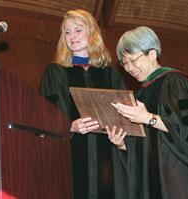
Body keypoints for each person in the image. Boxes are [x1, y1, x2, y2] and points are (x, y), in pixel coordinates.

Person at [105, 26, 188, 199]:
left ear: (152, 53)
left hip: (180, 176)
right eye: (124, 63)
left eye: (133, 60)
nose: (129, 68)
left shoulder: (176, 82)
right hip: (154, 178)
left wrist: (149, 118)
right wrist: (123, 145)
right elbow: (149, 144)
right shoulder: (140, 94)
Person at [39, 9, 126, 199]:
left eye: (78, 30)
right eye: (67, 32)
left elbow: (125, 119)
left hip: (109, 161)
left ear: (92, 33)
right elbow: (45, 117)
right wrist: (69, 126)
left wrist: (120, 138)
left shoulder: (110, 75)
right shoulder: (56, 73)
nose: (72, 37)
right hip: (69, 159)